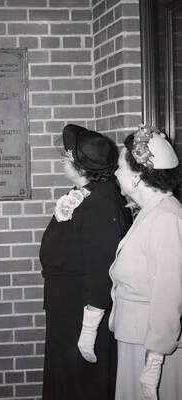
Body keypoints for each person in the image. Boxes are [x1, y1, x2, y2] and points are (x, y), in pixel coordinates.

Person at [39, 124, 132, 400]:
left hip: (83, 315)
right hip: (68, 309)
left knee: (81, 387)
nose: (62, 160)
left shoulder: (102, 202)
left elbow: (102, 269)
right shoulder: (87, 193)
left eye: (67, 156)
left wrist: (88, 331)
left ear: (81, 166)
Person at [109, 124, 182, 400]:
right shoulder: (151, 212)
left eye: (120, 167)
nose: (115, 173)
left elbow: (169, 293)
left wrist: (154, 362)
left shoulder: (166, 218)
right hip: (135, 338)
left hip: (152, 347)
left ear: (138, 177)